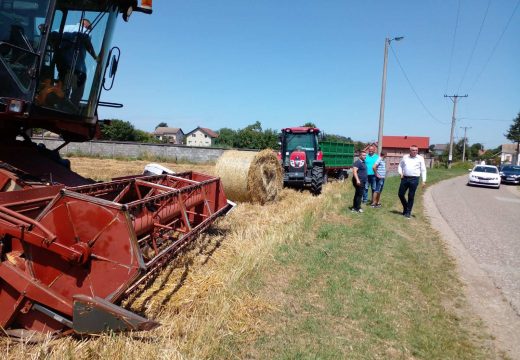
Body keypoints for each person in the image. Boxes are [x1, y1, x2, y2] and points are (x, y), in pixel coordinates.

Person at [55, 19, 98, 105]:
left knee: (61, 92)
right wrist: (96, 58)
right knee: (77, 95)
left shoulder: (63, 28)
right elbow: (87, 44)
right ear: (86, 26)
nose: (90, 30)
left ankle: (59, 105)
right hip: (77, 69)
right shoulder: (85, 31)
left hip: (62, 67)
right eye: (90, 29)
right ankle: (70, 110)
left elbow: (51, 36)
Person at [397, 145, 427, 218]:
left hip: (414, 179)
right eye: (413, 150)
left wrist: (424, 180)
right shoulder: (405, 157)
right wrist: (400, 173)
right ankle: (406, 207)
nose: (415, 151)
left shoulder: (420, 158)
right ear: (410, 151)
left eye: (416, 150)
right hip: (405, 178)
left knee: (411, 195)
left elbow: (423, 170)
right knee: (400, 194)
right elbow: (400, 166)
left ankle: (408, 212)